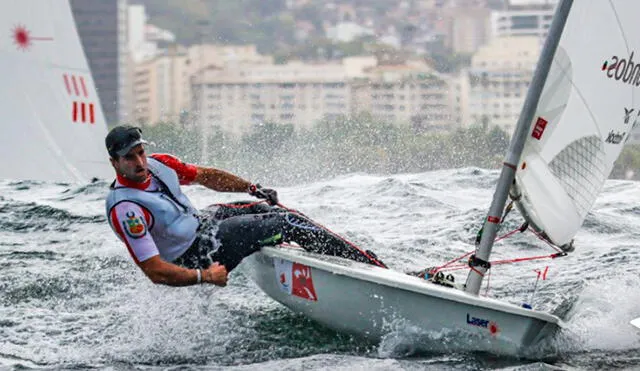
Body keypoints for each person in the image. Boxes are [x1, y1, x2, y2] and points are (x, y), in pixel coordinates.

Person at [104, 125, 386, 287]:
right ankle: (377, 271)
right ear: (115, 163)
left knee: (271, 209)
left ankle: (350, 259)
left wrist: (251, 188)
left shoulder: (160, 164)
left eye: (140, 153)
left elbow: (207, 176)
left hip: (203, 227)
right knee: (286, 223)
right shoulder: (127, 209)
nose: (140, 163)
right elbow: (154, 271)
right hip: (196, 256)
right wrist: (205, 276)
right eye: (129, 158)